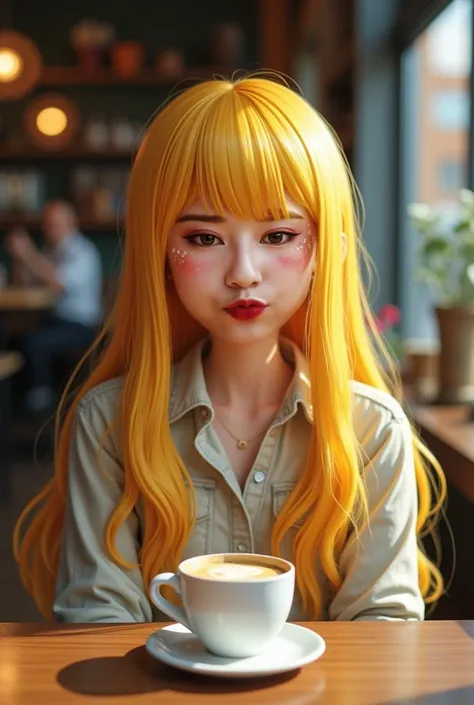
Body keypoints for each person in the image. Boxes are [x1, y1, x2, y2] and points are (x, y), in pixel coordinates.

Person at [13, 74, 447, 623]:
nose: (243, 274)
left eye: (278, 236)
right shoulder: (108, 424)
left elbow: (382, 630)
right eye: (203, 238)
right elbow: (98, 619)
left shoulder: (372, 429)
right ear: (161, 252)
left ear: (325, 252)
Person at [5, 200, 103, 412]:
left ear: (71, 223)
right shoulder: (51, 251)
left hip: (81, 326)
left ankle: (42, 403)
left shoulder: (82, 251)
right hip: (52, 320)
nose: (50, 229)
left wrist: (29, 253)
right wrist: (20, 259)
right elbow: (24, 284)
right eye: (47, 224)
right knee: (14, 341)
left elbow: (57, 283)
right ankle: (17, 407)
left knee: (35, 343)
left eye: (55, 223)